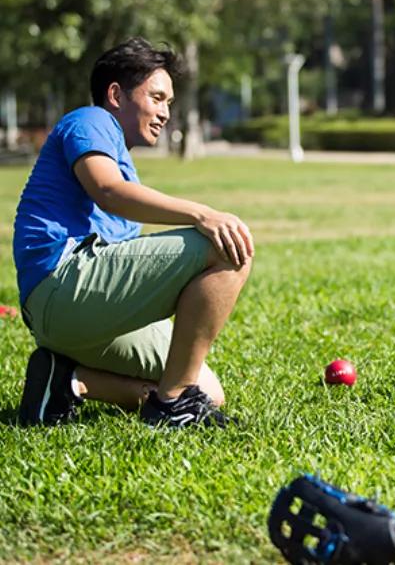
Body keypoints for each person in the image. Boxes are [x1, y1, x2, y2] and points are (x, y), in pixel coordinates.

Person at [14, 37, 254, 427]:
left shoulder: (121, 155)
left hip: (76, 314)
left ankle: (68, 381)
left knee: (208, 390)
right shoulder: (89, 121)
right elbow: (107, 191)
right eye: (157, 98)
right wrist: (201, 214)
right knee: (226, 248)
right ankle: (171, 406)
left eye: (170, 104)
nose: (164, 113)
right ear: (115, 94)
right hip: (62, 285)